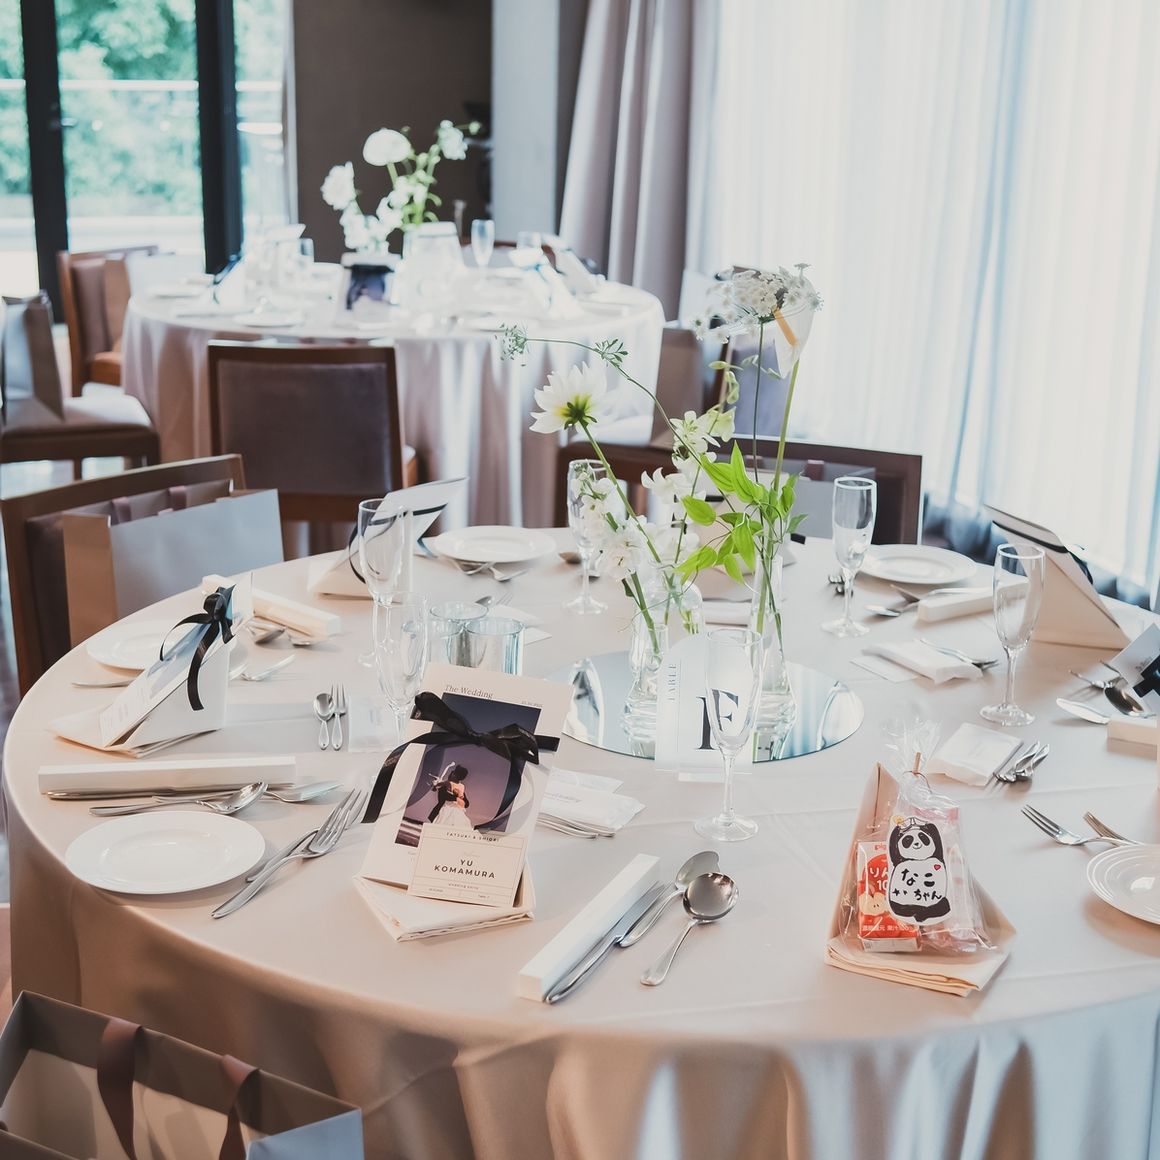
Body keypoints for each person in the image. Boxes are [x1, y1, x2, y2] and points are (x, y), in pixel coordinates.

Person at [428, 762, 473, 830]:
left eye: (453, 772)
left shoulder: (448, 783)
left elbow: (466, 803)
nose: (451, 773)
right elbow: (443, 797)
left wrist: (436, 785)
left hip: (449, 810)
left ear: (454, 774)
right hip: (455, 811)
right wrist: (458, 798)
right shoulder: (461, 786)